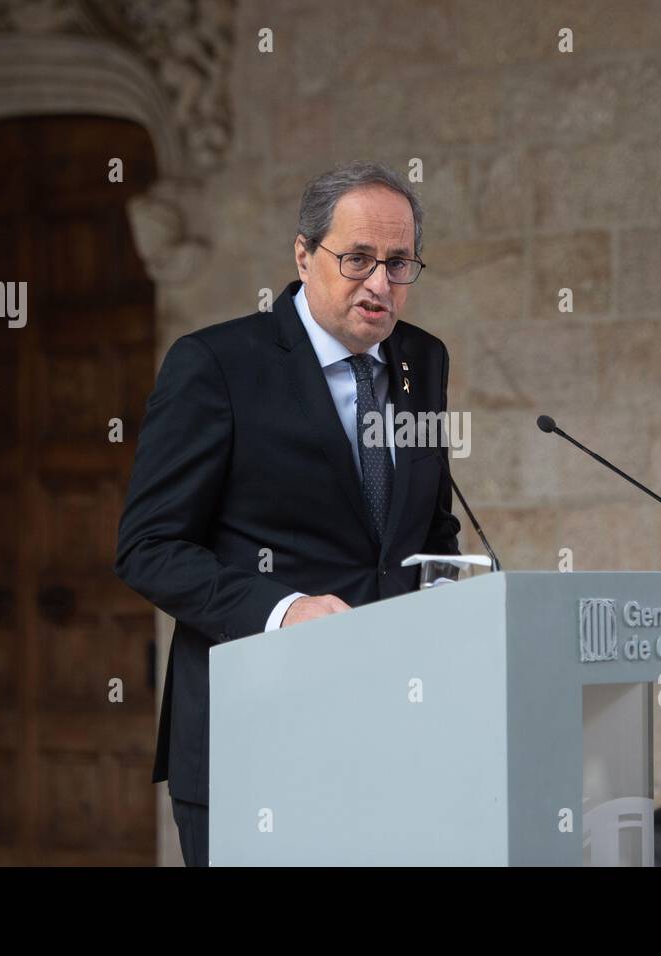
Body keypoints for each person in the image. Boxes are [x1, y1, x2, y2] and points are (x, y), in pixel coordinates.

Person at [113, 160, 460, 866]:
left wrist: (457, 610)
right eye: (357, 258)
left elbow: (428, 530)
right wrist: (282, 610)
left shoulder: (421, 360)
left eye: (398, 263)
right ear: (303, 256)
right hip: (256, 740)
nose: (379, 284)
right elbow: (148, 546)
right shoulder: (216, 364)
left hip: (394, 734)